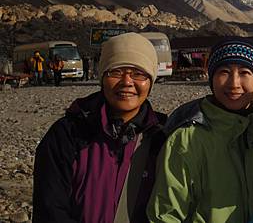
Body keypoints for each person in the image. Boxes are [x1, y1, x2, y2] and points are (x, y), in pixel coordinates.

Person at [148, 37, 253, 223]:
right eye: (224, 72)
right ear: (212, 79)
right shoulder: (186, 140)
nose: (234, 83)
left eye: (245, 72)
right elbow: (165, 215)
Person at [32, 33, 167, 223]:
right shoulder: (67, 135)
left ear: (151, 81)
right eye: (116, 72)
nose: (127, 82)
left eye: (138, 73)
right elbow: (50, 210)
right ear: (102, 77)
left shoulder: (162, 137)